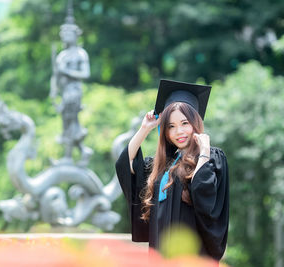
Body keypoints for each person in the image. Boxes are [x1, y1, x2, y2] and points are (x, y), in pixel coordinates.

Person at [115, 79, 229, 261]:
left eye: (185, 123)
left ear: (195, 122)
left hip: (191, 256)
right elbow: (126, 165)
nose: (179, 132)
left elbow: (204, 195)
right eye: (171, 126)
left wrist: (204, 153)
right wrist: (144, 129)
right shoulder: (162, 165)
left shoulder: (212, 158)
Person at [50, 12, 92, 164]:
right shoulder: (61, 55)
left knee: (69, 122)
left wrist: (66, 71)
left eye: (68, 33)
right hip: (64, 92)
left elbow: (85, 73)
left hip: (74, 92)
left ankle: (68, 157)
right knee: (70, 122)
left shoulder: (80, 54)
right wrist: (53, 91)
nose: (65, 36)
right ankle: (83, 151)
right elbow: (55, 75)